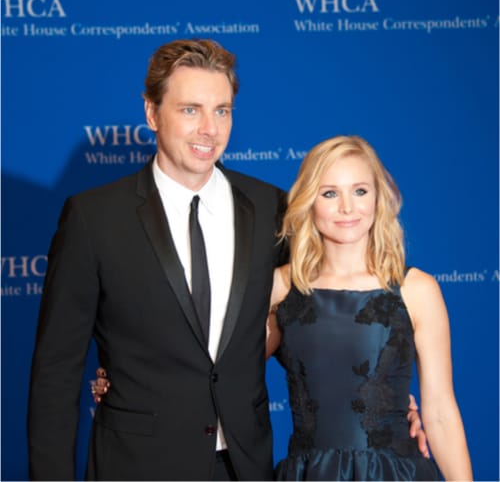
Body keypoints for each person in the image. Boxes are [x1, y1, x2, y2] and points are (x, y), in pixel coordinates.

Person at [29, 39, 426, 481]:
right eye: (190, 110)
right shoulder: (94, 218)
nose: (209, 129)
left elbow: (320, 323)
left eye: (222, 111)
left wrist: (385, 401)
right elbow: (55, 373)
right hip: (136, 465)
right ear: (152, 113)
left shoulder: (273, 210)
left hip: (244, 467)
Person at [263, 135, 473, 480]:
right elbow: (229, 375)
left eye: (360, 191)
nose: (348, 207)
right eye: (329, 193)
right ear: (309, 201)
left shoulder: (417, 289)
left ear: (378, 197)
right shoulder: (281, 286)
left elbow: (439, 411)